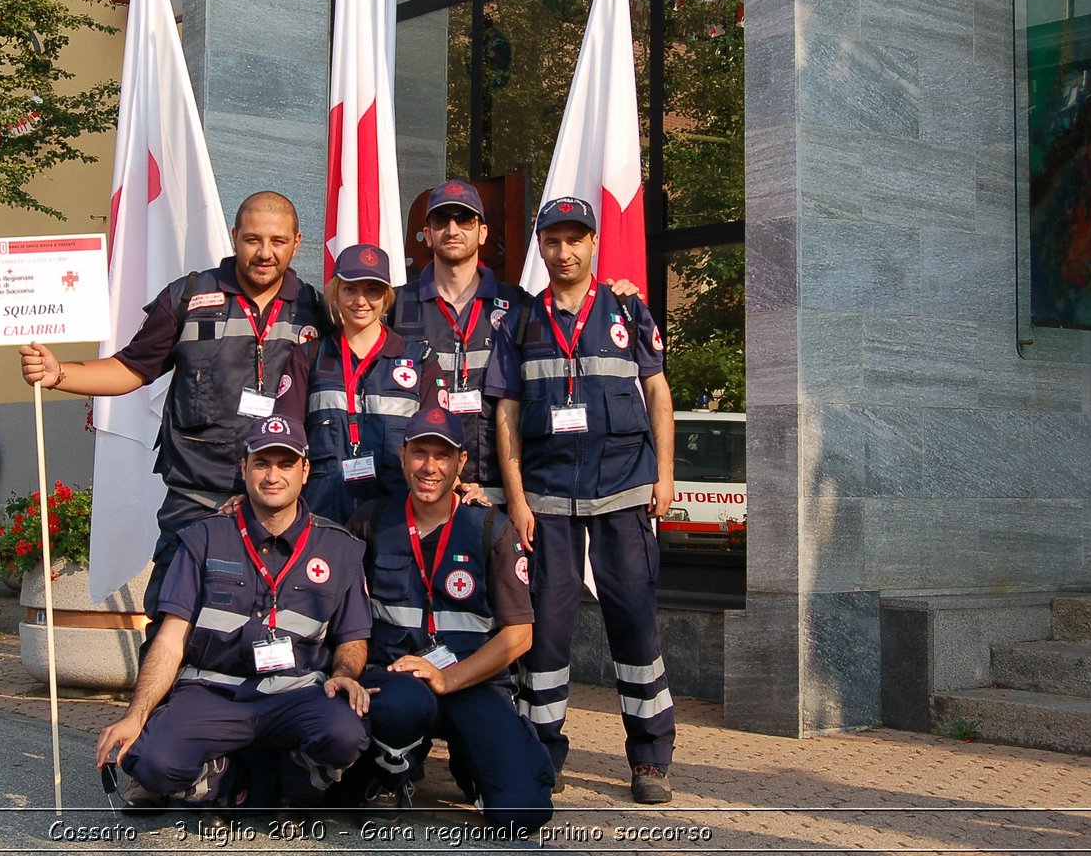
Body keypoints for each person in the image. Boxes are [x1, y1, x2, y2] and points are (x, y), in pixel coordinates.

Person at [19, 191, 326, 621]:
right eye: (253, 239)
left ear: (297, 242)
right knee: (172, 623)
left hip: (279, 505)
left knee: (273, 626)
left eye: (277, 241)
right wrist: (59, 374)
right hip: (195, 502)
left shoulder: (318, 311)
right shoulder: (188, 298)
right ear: (234, 237)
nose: (264, 253)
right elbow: (131, 368)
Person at [486, 196, 677, 805]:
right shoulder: (520, 320)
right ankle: (542, 753)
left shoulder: (626, 306)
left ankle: (649, 759)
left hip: (624, 492)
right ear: (539, 246)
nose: (564, 253)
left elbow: (658, 392)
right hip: (546, 501)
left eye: (576, 240)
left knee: (635, 624)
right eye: (552, 241)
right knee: (546, 634)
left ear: (594, 243)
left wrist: (666, 475)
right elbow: (507, 413)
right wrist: (516, 500)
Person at [94, 415, 372, 812]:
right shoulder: (203, 538)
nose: (272, 475)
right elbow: (170, 639)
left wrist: (344, 677)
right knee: (151, 763)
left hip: (296, 695)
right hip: (212, 693)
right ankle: (221, 777)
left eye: (285, 463)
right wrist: (136, 716)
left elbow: (353, 638)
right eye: (261, 463)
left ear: (305, 470)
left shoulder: (340, 548)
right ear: (244, 468)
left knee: (345, 732)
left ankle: (292, 782)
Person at [346, 407, 554, 829]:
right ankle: (391, 772)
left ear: (461, 463)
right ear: (402, 455)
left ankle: (477, 760)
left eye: (442, 456)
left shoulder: (489, 527)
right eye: (419, 453)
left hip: (471, 681)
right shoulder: (371, 521)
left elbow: (519, 636)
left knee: (522, 813)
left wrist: (448, 679)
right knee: (402, 706)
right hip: (396, 680)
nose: (429, 467)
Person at [390, 178, 644, 506]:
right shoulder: (394, 308)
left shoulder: (521, 308)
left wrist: (616, 297)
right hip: (422, 487)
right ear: (427, 233)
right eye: (441, 219)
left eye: (464, 219)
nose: (453, 229)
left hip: (498, 494)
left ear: (482, 232)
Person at [304, 243, 438, 524]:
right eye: (350, 289)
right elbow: (287, 439)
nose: (360, 300)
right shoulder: (309, 356)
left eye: (372, 290)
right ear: (336, 293)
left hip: (396, 521)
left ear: (387, 295)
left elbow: (436, 443)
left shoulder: (420, 360)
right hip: (322, 518)